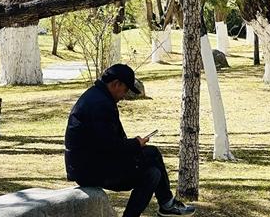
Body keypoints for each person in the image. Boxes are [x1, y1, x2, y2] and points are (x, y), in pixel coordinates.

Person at [65, 63, 196, 217]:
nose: (124, 95)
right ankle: (167, 204)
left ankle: (161, 205)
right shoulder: (100, 104)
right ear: (116, 84)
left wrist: (132, 146)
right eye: (125, 90)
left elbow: (106, 142)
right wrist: (135, 144)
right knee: (152, 153)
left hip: (90, 164)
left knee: (152, 174)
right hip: (89, 169)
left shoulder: (98, 97)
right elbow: (109, 146)